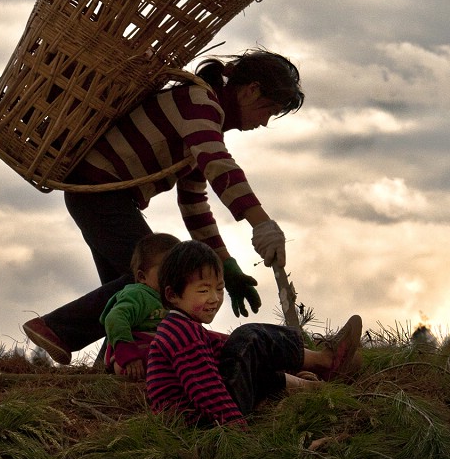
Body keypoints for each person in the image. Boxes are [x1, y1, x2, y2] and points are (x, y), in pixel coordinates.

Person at [23, 48, 305, 365]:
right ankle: (55, 329)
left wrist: (225, 264)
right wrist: (261, 223)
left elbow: (193, 200)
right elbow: (219, 166)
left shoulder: (207, 120)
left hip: (104, 198)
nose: (265, 122)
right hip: (98, 193)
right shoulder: (199, 102)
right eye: (269, 109)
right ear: (251, 91)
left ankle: (113, 364)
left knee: (129, 292)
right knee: (159, 277)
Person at [147, 240, 363, 428]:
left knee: (247, 358)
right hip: (200, 422)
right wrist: (236, 428)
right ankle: (325, 361)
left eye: (220, 289)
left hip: (201, 419)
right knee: (248, 336)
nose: (214, 298)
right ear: (172, 294)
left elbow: (226, 351)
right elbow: (205, 389)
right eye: (204, 290)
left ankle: (316, 387)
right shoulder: (180, 333)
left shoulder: (186, 327)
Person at [100, 232, 181, 380]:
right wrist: (128, 355)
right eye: (166, 271)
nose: (174, 277)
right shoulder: (139, 294)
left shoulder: (177, 300)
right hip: (135, 354)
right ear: (142, 277)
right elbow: (115, 318)